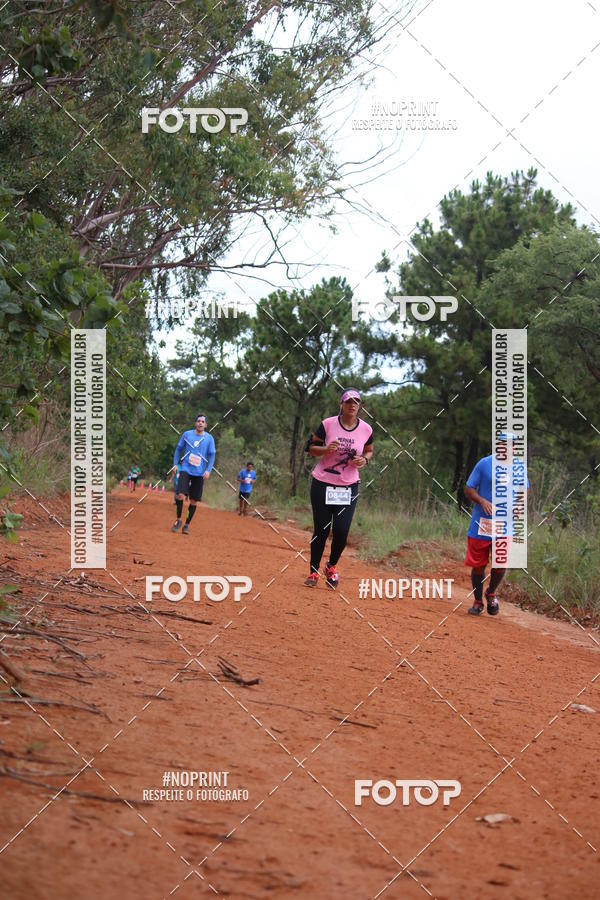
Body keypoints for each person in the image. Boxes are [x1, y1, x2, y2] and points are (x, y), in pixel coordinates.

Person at [304, 389, 373, 589]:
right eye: (348, 401)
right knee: (322, 529)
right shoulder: (328, 424)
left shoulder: (366, 429)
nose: (352, 405)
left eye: (356, 402)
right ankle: (313, 571)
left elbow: (369, 450)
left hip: (348, 487)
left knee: (342, 531)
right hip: (323, 483)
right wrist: (326, 449)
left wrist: (364, 460)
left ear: (359, 406)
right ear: (341, 404)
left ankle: (331, 566)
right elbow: (310, 449)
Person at [464, 432, 530, 616]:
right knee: (478, 565)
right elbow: (469, 488)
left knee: (500, 563)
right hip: (483, 524)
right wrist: (482, 501)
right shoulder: (485, 464)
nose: (507, 448)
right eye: (503, 444)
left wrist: (519, 505)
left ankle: (491, 593)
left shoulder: (519, 467)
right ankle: (478, 601)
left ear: (514, 448)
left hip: (505, 525)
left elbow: (524, 489)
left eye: (510, 445)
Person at [170, 414, 216, 534]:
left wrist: (208, 470)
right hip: (185, 469)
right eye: (198, 421)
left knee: (194, 500)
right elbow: (178, 449)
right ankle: (178, 520)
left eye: (203, 422)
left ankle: (186, 524)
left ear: (205, 425)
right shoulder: (187, 434)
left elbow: (212, 455)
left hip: (199, 473)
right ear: (195, 423)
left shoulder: (209, 438)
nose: (200, 423)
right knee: (180, 495)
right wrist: (175, 464)